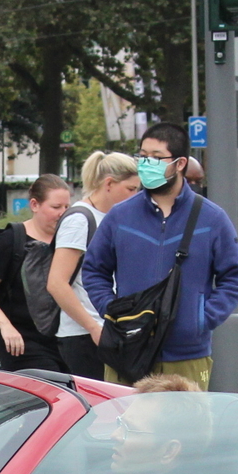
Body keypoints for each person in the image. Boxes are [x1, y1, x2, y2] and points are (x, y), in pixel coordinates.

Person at [79, 122, 238, 390]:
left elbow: (235, 277)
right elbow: (93, 270)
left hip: (187, 354)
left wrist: (202, 319)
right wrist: (111, 311)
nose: (146, 164)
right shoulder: (120, 216)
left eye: (157, 158)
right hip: (128, 349)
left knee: (186, 430)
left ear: (180, 163)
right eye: (143, 156)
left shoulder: (212, 218)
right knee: (127, 428)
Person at [44, 151, 137, 375]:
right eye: (131, 189)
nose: (136, 196)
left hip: (110, 329)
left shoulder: (115, 217)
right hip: (85, 335)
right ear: (109, 183)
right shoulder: (80, 219)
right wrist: (92, 327)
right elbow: (57, 283)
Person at [0, 175, 71, 371]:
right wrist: (4, 325)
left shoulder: (68, 242)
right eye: (56, 207)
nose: (63, 213)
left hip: (64, 340)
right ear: (35, 205)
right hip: (21, 342)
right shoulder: (10, 240)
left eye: (67, 207)